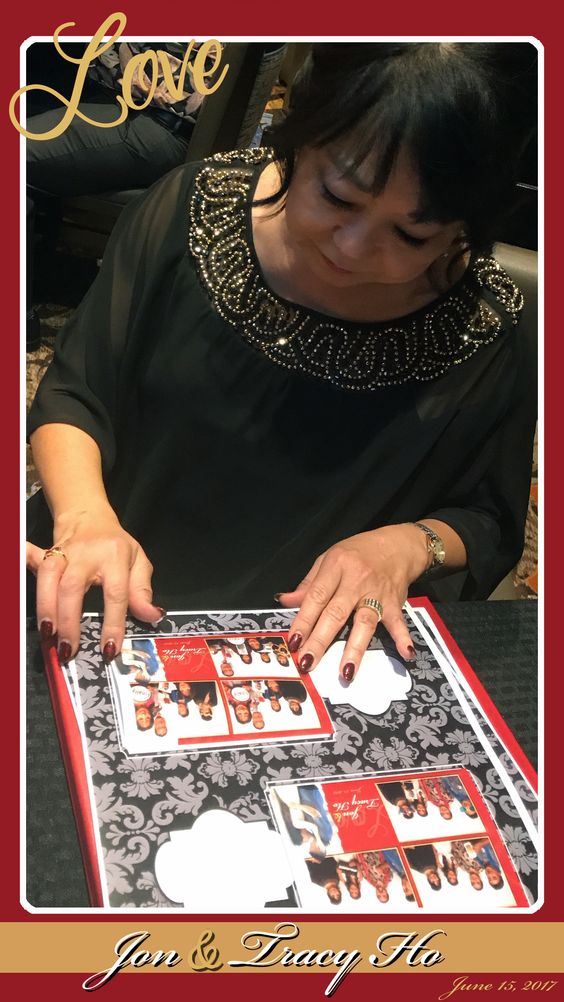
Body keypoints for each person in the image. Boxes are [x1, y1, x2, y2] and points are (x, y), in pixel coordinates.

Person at [26, 43, 537, 681]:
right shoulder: (193, 213)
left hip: (304, 657)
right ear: (299, 132)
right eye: (338, 195)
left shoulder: (484, 327)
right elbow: (77, 393)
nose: (353, 249)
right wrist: (84, 516)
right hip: (108, 595)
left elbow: (488, 517)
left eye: (413, 234)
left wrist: (407, 544)